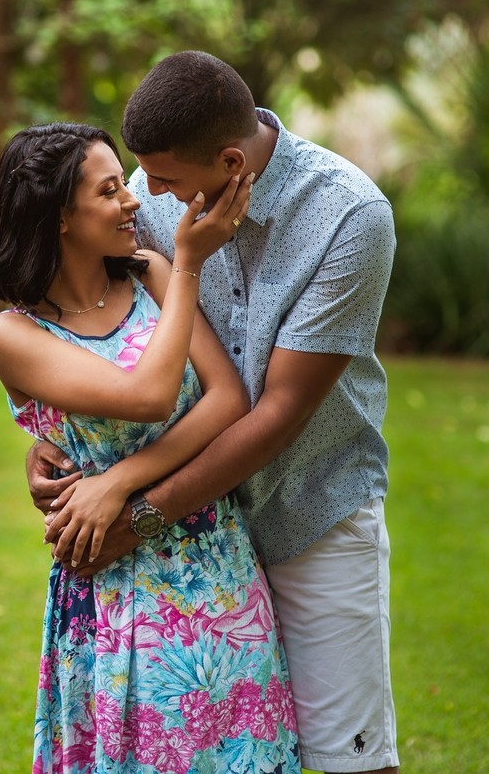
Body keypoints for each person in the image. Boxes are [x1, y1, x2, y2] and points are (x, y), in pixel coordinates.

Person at [29, 52, 400, 774]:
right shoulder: (153, 190)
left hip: (311, 512)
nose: (148, 196)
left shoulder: (350, 216)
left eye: (164, 180)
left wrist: (134, 515)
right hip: (199, 545)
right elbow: (99, 330)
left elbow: (277, 411)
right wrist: (50, 440)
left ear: (232, 162)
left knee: (353, 760)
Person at [0, 122, 300, 774]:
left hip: (218, 566)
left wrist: (117, 479)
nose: (132, 200)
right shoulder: (13, 334)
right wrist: (189, 264)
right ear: (60, 218)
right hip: (113, 585)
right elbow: (150, 394)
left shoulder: (150, 274)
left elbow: (227, 402)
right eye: (108, 190)